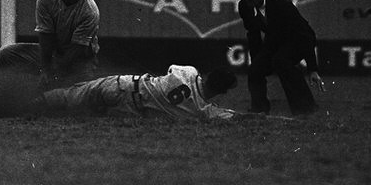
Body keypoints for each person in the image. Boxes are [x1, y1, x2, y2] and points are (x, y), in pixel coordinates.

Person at [0, 0, 99, 88]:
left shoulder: (89, 10)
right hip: (54, 53)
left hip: (79, 61)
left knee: (74, 93)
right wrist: (45, 69)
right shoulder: (46, 0)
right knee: (5, 54)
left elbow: (77, 49)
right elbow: (45, 37)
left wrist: (53, 74)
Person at [237, 0, 323, 116]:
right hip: (276, 41)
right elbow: (253, 35)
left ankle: (305, 108)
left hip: (299, 40)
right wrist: (257, 62)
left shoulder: (281, 3)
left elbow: (305, 35)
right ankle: (259, 110)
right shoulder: (244, 7)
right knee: (255, 70)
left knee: (281, 61)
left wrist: (312, 69)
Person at [38, 64, 239, 121]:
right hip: (127, 109)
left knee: (67, 97)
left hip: (122, 85)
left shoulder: (189, 72)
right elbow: (231, 116)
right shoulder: (199, 111)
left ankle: (25, 104)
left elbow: (171, 70)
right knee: (83, 116)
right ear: (222, 91)